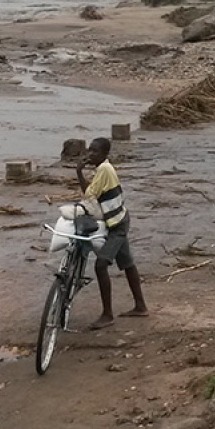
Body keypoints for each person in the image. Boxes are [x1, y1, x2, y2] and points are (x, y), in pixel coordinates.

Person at [76, 137, 147, 330]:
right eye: (90, 150)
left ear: (105, 155)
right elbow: (91, 193)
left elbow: (88, 196)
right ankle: (140, 306)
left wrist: (78, 173)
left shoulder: (105, 170)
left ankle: (107, 314)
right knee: (127, 263)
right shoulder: (101, 169)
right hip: (119, 219)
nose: (91, 154)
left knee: (101, 265)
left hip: (117, 225)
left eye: (95, 152)